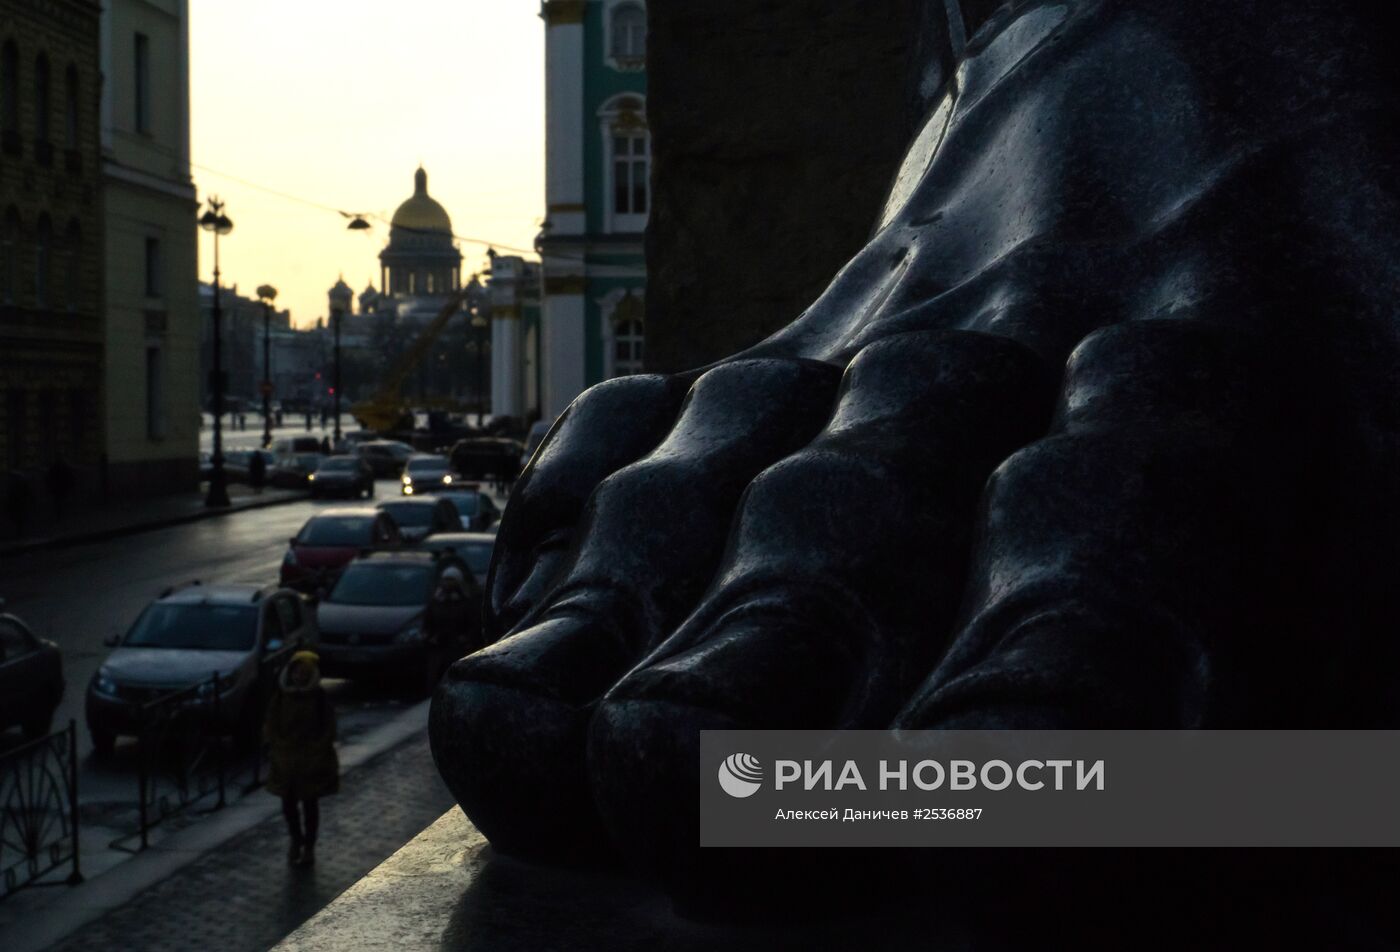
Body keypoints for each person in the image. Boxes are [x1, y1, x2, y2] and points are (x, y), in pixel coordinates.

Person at [264, 651, 338, 867]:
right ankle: (296, 840)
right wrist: (277, 746)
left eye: (304, 672)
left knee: (309, 806)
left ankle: (308, 847)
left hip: (310, 762)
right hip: (286, 761)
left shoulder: (319, 698)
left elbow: (328, 728)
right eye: (296, 671)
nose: (299, 676)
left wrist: (317, 750)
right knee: (289, 806)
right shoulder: (281, 696)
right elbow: (271, 724)